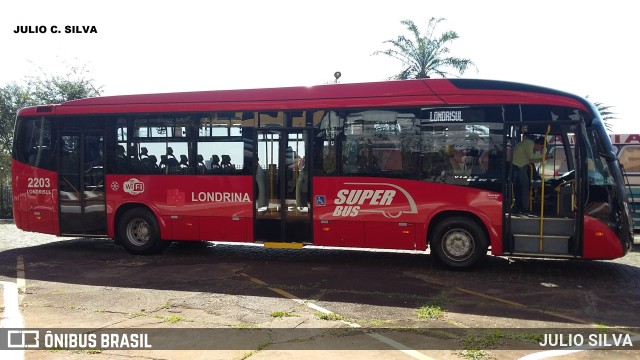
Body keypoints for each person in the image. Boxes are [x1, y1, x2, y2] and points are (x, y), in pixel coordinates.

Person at [511, 136, 552, 213]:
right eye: (542, 148)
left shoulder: (530, 145)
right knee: (521, 187)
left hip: (520, 165)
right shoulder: (529, 143)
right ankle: (522, 207)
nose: (540, 150)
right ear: (539, 144)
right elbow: (531, 157)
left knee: (522, 187)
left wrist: (544, 158)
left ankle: (521, 207)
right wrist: (544, 156)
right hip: (516, 166)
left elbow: (532, 159)